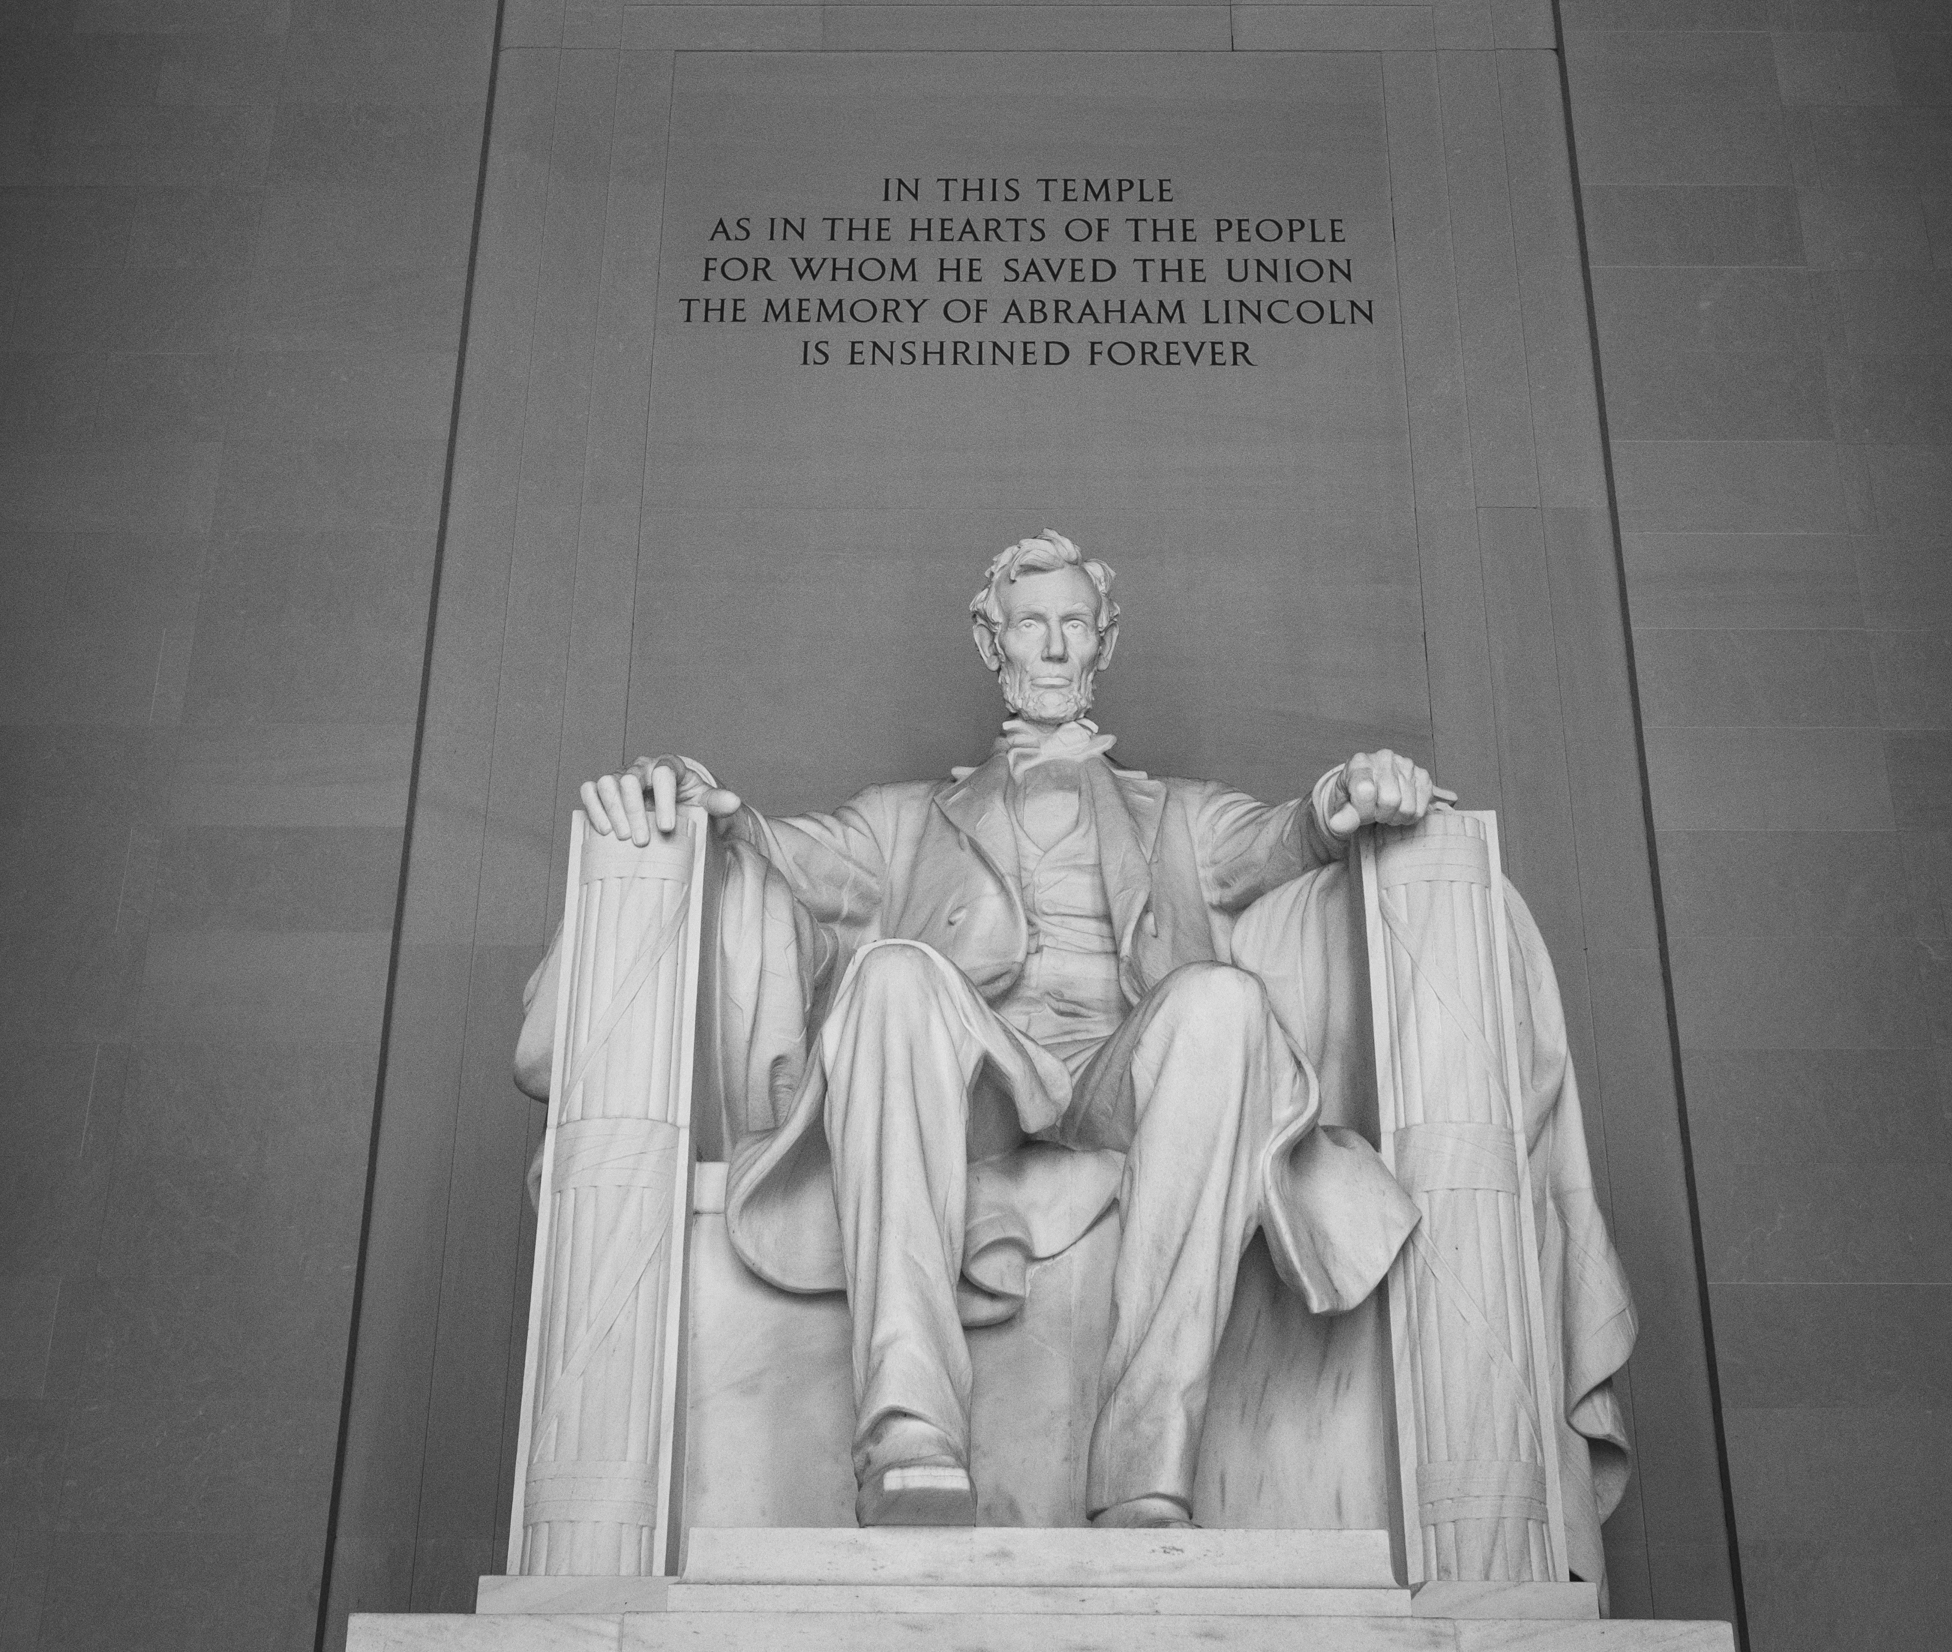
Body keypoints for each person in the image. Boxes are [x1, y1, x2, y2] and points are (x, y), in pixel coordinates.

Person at [567, 529, 1442, 1531]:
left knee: (1223, 1002)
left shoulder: (1181, 816)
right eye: (1033, 624)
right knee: (890, 974)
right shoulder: (905, 819)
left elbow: (1289, 835)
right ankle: (906, 1437)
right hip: (975, 1069)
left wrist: (1351, 793)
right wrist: (678, 786)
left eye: (1076, 624)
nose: (1057, 647)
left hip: (1123, 1075)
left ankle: (1145, 1457)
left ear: (1102, 642)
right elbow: (765, 844)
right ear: (995, 644)